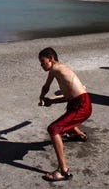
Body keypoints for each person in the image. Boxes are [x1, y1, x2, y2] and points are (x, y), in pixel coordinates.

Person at [37, 47, 92, 182]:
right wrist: (50, 101)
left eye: (42, 61)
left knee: (53, 129)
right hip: (79, 102)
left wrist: (41, 97)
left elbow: (46, 87)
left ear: (51, 59)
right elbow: (68, 96)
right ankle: (79, 135)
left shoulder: (55, 69)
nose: (41, 65)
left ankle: (63, 171)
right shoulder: (59, 69)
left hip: (81, 105)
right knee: (67, 115)